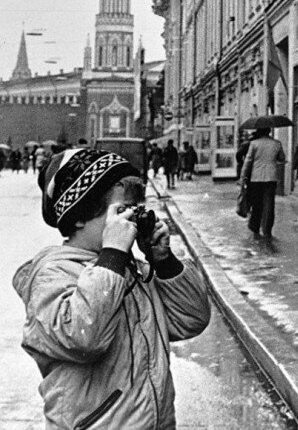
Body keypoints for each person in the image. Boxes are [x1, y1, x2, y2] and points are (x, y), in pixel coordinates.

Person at [13, 148, 210, 428]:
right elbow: (84, 338)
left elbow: (191, 320)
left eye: (135, 210)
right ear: (79, 216)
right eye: (121, 211)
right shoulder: (52, 275)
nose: (131, 221)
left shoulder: (128, 270)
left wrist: (164, 262)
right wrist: (113, 254)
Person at [241, 122, 286, 240]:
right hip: (271, 177)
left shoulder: (254, 143)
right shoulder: (277, 143)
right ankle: (267, 229)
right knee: (269, 204)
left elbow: (248, 161)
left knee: (257, 203)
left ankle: (255, 226)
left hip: (256, 178)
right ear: (269, 131)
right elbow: (282, 158)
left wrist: (243, 176)